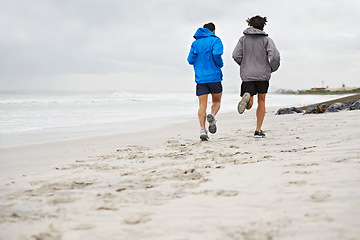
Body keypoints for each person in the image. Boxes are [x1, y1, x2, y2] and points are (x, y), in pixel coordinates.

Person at [232, 15, 280, 138]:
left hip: (248, 75)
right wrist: (271, 68)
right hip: (262, 75)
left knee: (250, 104)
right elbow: (274, 56)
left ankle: (247, 100)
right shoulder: (267, 40)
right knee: (262, 101)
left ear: (250, 24)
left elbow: (235, 55)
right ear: (263, 25)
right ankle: (258, 130)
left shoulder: (243, 39)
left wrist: (244, 65)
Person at [187, 22, 224, 141]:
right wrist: (220, 63)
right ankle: (212, 115)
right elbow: (217, 54)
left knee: (202, 105)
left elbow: (190, 60)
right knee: (217, 101)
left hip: (201, 78)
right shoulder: (216, 41)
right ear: (213, 31)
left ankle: (203, 129)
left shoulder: (195, 43)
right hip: (214, 77)